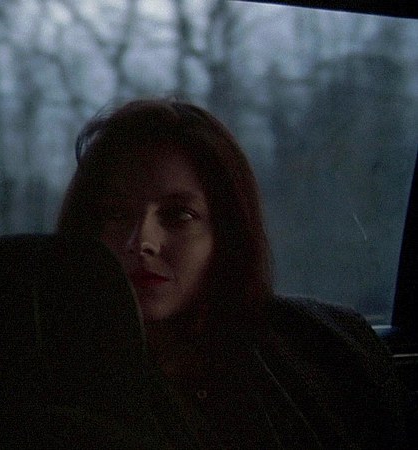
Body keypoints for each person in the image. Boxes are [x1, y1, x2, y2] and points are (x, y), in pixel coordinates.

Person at [56, 99, 408, 448]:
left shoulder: (327, 349)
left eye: (178, 215)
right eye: (117, 214)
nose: (142, 242)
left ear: (226, 230)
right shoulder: (56, 381)